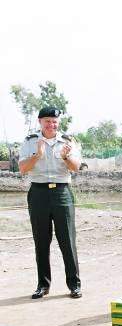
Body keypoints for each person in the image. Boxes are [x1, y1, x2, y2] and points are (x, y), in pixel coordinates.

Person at [19, 107, 82, 299]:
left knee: (67, 241)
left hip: (62, 192)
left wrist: (65, 156)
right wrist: (37, 155)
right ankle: (43, 285)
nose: (51, 125)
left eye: (54, 121)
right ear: (40, 122)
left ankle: (74, 285)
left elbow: (76, 167)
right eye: (47, 121)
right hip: (38, 193)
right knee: (41, 240)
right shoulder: (30, 141)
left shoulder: (68, 141)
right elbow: (22, 168)